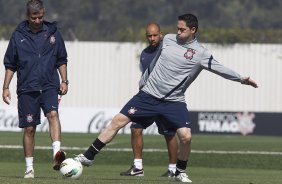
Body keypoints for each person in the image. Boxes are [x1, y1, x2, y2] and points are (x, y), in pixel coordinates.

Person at [74, 13, 258, 183]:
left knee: (186, 137)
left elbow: (220, 68)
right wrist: (144, 79)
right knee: (118, 120)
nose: (177, 32)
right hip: (147, 96)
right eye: (177, 28)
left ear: (193, 30)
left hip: (173, 101)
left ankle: (180, 171)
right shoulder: (169, 39)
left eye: (182, 29)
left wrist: (241, 79)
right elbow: (156, 61)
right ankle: (88, 156)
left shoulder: (201, 53)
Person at [2, 0, 68, 179]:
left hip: (49, 86)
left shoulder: (53, 33)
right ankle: (29, 168)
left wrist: (64, 81)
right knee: (29, 128)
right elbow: (10, 64)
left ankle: (57, 154)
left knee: (53, 115)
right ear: (27, 16)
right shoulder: (18, 36)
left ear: (44, 14)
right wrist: (5, 87)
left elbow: (62, 59)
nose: (38, 20)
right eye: (34, 17)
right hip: (27, 88)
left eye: (40, 17)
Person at [119, 22, 178, 177]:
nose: (152, 38)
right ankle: (138, 168)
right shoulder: (144, 54)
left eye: (155, 35)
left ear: (161, 34)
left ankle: (173, 169)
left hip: (165, 100)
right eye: (149, 36)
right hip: (147, 100)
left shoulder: (168, 51)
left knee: (169, 134)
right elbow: (145, 76)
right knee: (135, 128)